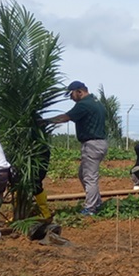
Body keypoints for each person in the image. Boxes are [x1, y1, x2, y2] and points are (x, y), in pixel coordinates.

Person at [44, 81, 108, 215]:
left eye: (71, 94)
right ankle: (96, 202)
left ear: (79, 91)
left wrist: (45, 122)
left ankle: (91, 208)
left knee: (89, 177)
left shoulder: (84, 104)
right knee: (83, 174)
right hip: (99, 143)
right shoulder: (96, 102)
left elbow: (65, 117)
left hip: (92, 144)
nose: (71, 98)